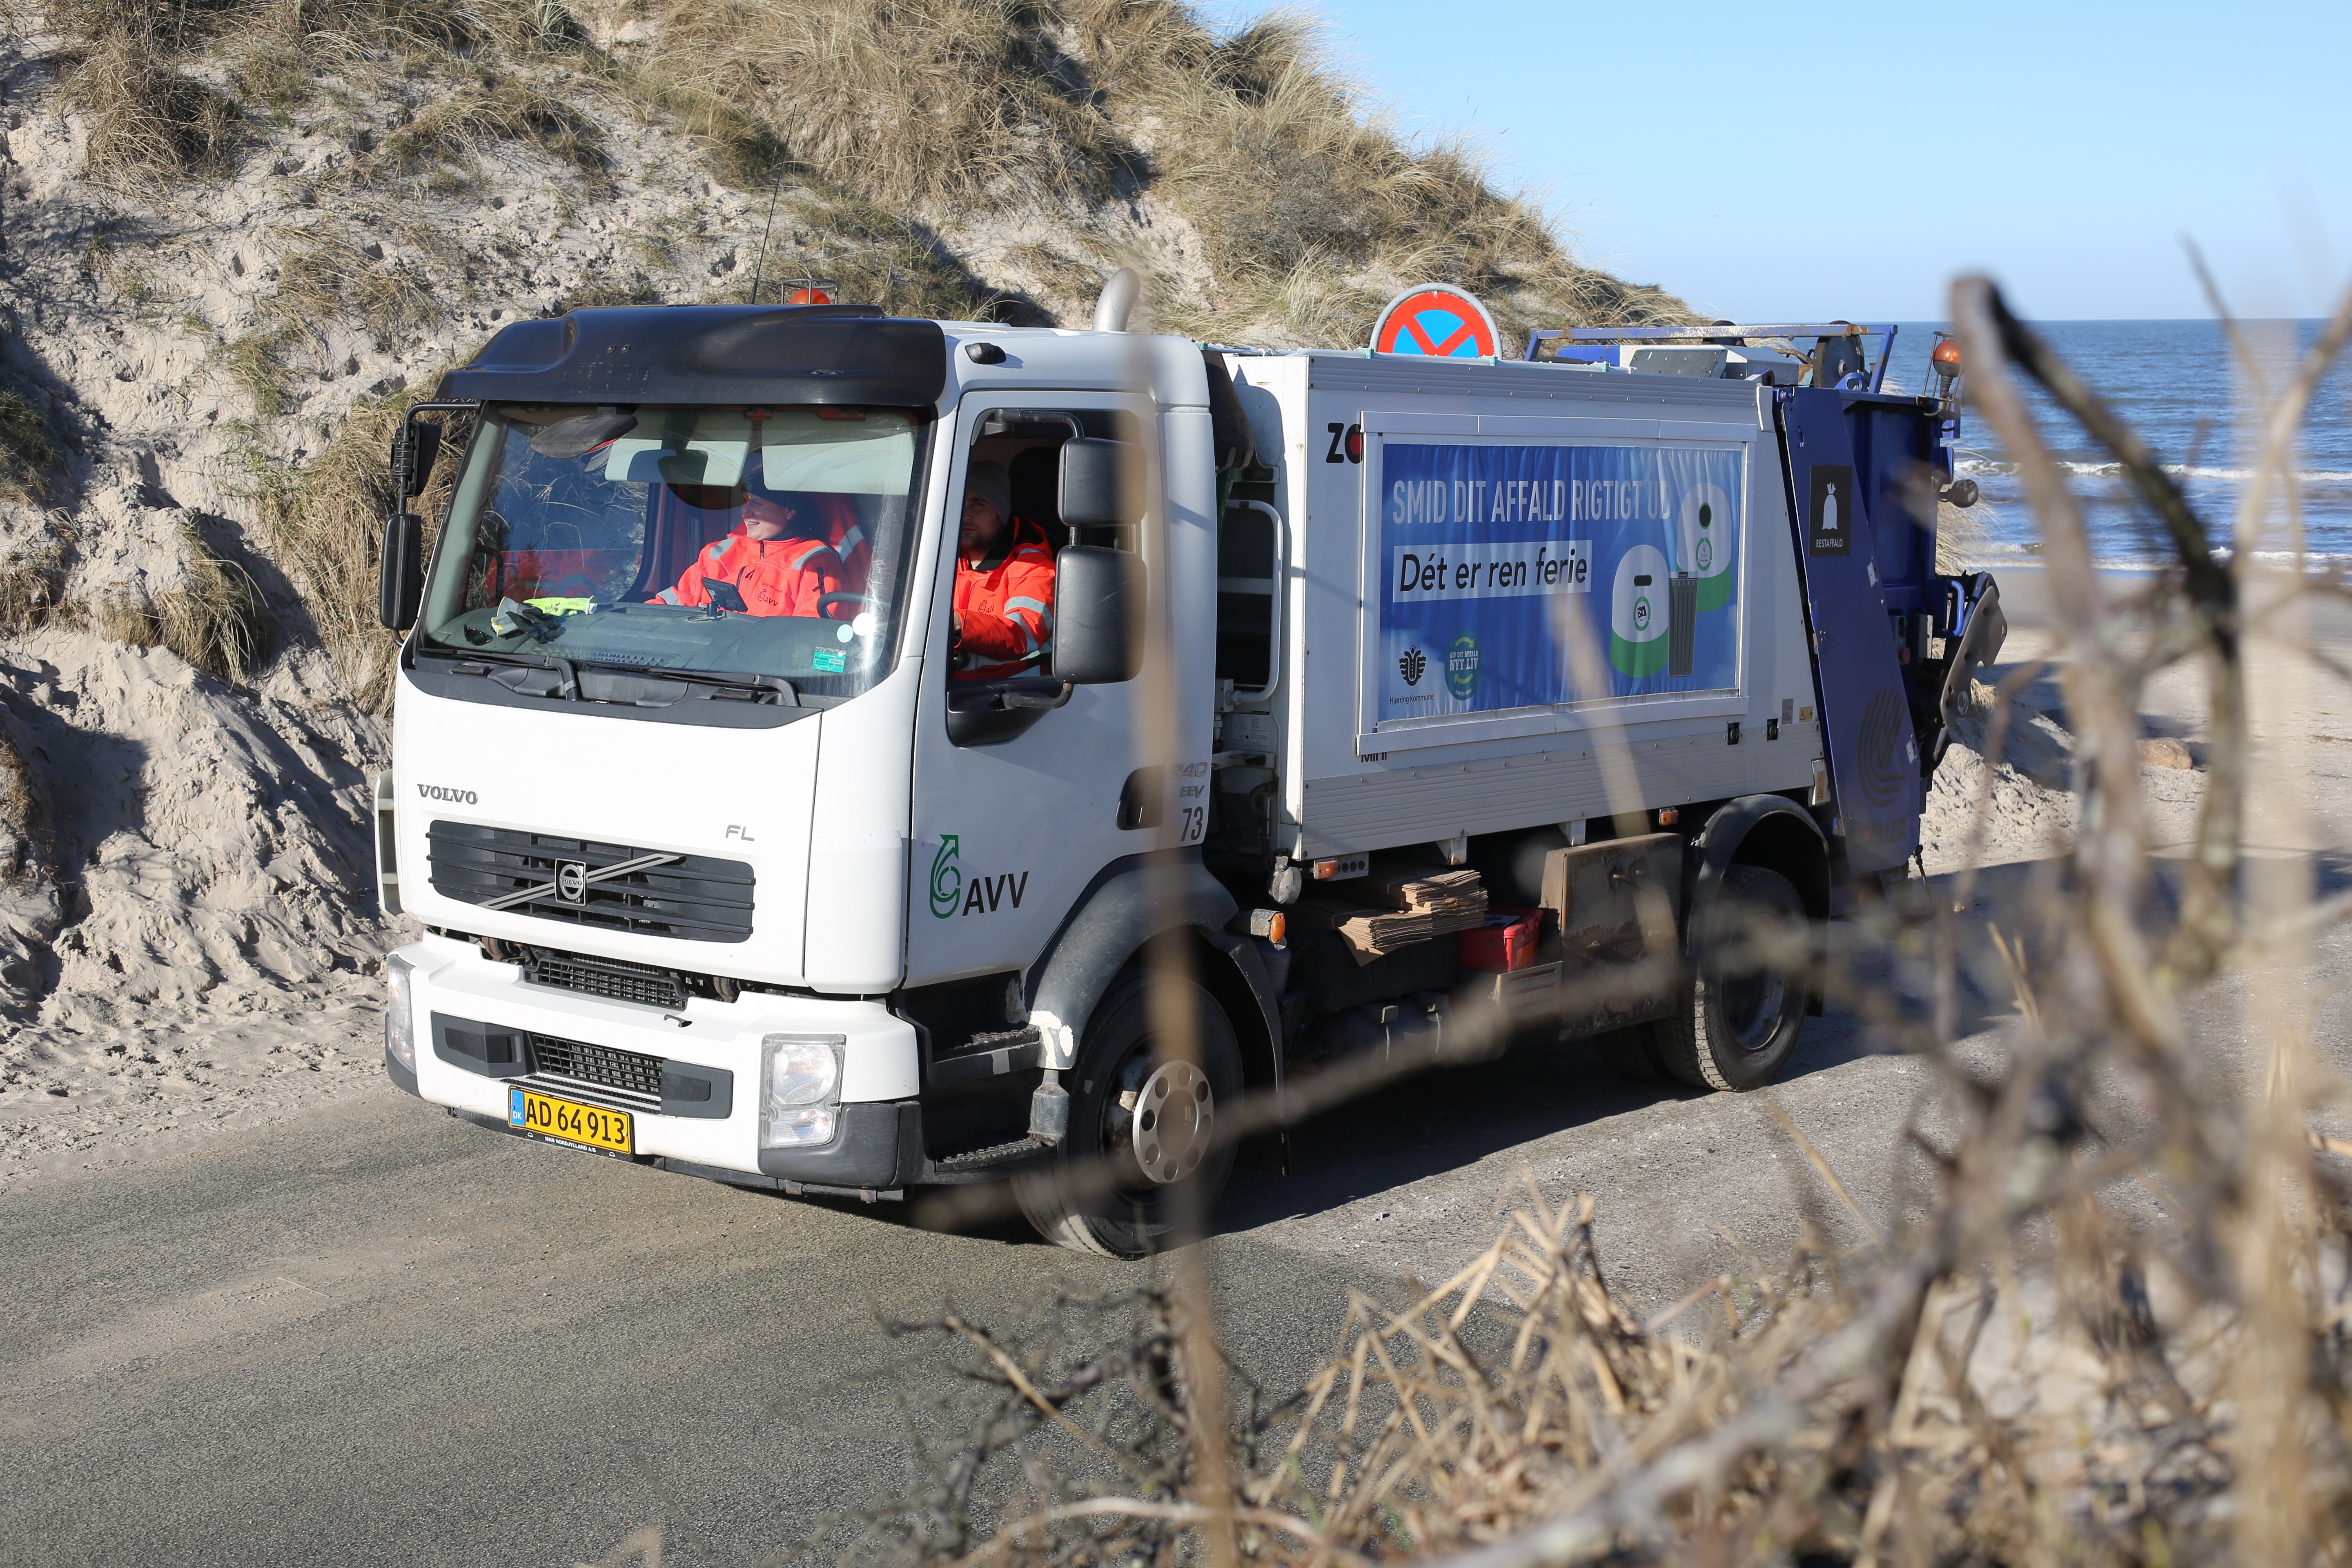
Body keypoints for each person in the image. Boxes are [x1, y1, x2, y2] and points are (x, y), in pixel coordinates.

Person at [655, 489, 844, 618]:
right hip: (704, 663)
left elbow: (811, 635)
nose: (745, 512)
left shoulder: (815, 564)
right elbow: (678, 602)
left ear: (790, 511)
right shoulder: (718, 553)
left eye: (758, 503)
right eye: (744, 502)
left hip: (759, 671)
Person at [951, 460, 1056, 681]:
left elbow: (1022, 634)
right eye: (960, 504)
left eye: (978, 504)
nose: (966, 515)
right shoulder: (937, 560)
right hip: (942, 694)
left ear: (1001, 514)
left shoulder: (1035, 568)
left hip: (1013, 700)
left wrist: (958, 622)